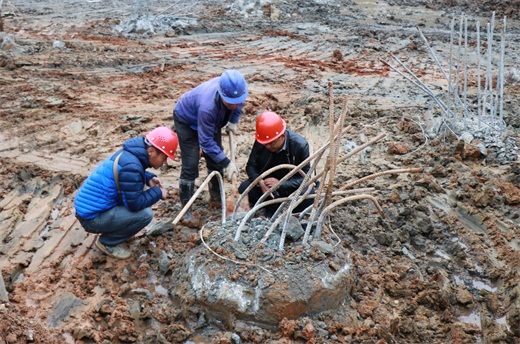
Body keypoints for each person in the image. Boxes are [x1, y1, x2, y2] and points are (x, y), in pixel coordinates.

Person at [74, 126, 178, 259]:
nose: (164, 163)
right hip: (92, 219)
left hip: (88, 209)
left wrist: (148, 178)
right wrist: (157, 192)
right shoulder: (132, 166)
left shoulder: (130, 154)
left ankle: (117, 229)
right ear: (151, 151)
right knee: (145, 214)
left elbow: (127, 174)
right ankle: (107, 243)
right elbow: (135, 204)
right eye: (164, 158)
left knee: (139, 196)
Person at [173, 69, 247, 228]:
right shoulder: (208, 107)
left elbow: (238, 104)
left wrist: (233, 120)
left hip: (211, 121)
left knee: (215, 158)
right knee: (191, 164)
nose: (234, 105)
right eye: (230, 103)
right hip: (187, 120)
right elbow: (205, 142)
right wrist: (227, 163)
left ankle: (215, 198)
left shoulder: (236, 93)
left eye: (237, 101)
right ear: (221, 95)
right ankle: (186, 211)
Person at [238, 111, 315, 217]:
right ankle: (270, 207)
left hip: (289, 185)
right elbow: (251, 166)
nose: (268, 146)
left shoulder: (300, 146)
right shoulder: (263, 141)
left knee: (308, 197)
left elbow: (305, 177)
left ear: (282, 136)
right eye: (265, 144)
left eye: (272, 143)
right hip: (267, 185)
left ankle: (291, 212)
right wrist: (260, 182)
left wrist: (281, 184)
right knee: (244, 189)